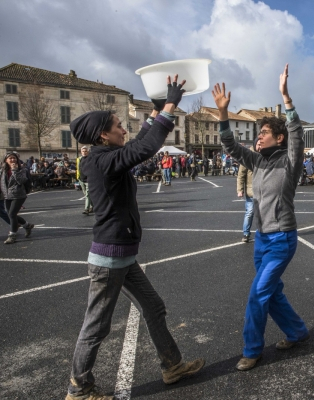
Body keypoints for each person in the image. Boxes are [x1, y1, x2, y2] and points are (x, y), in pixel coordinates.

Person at [65, 76, 203, 400]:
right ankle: (79, 388)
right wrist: (169, 106)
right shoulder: (100, 161)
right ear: (103, 135)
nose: (123, 129)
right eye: (117, 125)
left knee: (153, 307)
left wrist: (155, 111)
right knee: (97, 326)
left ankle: (172, 366)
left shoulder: (104, 157)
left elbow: (136, 142)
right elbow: (143, 148)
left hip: (121, 255)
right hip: (110, 258)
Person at [213, 64, 309, 371]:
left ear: (278, 138)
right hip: (262, 239)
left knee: (258, 294)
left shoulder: (290, 161)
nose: (259, 136)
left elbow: (297, 135)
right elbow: (229, 145)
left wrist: (286, 98)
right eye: (260, 132)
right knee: (273, 293)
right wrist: (223, 115)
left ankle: (252, 350)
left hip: (282, 238)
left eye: (265, 132)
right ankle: (296, 331)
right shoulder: (257, 160)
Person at [1, 152, 34, 244]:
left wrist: (14, 170)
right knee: (10, 214)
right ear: (5, 160)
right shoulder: (2, 170)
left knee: (11, 214)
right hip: (7, 195)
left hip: (18, 195)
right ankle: (27, 225)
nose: (12, 160)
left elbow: (21, 181)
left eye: (14, 158)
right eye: (10, 158)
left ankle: (12, 235)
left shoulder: (22, 169)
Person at [237, 140, 261, 243]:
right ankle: (246, 234)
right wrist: (240, 190)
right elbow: (241, 175)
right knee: (250, 212)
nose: (260, 146)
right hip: (251, 191)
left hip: (262, 191)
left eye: (262, 144)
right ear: (255, 144)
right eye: (259, 144)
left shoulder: (265, 156)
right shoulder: (247, 156)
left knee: (263, 213)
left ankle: (263, 233)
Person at [77, 146, 93, 215]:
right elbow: (78, 168)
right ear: (81, 152)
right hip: (81, 179)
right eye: (83, 151)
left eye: (85, 151)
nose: (84, 152)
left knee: (87, 195)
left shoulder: (90, 159)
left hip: (88, 179)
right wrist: (78, 177)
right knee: (86, 194)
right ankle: (92, 206)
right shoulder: (79, 159)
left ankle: (86, 209)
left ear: (88, 152)